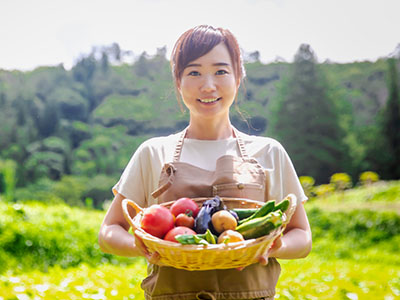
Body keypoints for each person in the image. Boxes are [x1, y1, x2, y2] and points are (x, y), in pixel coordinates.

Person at [98, 24, 312, 300]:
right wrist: (141, 245)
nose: (208, 85)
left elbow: (302, 236)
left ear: (238, 78)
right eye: (194, 72)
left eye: (221, 71)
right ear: (178, 81)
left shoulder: (269, 152)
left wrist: (272, 247)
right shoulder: (153, 152)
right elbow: (108, 231)